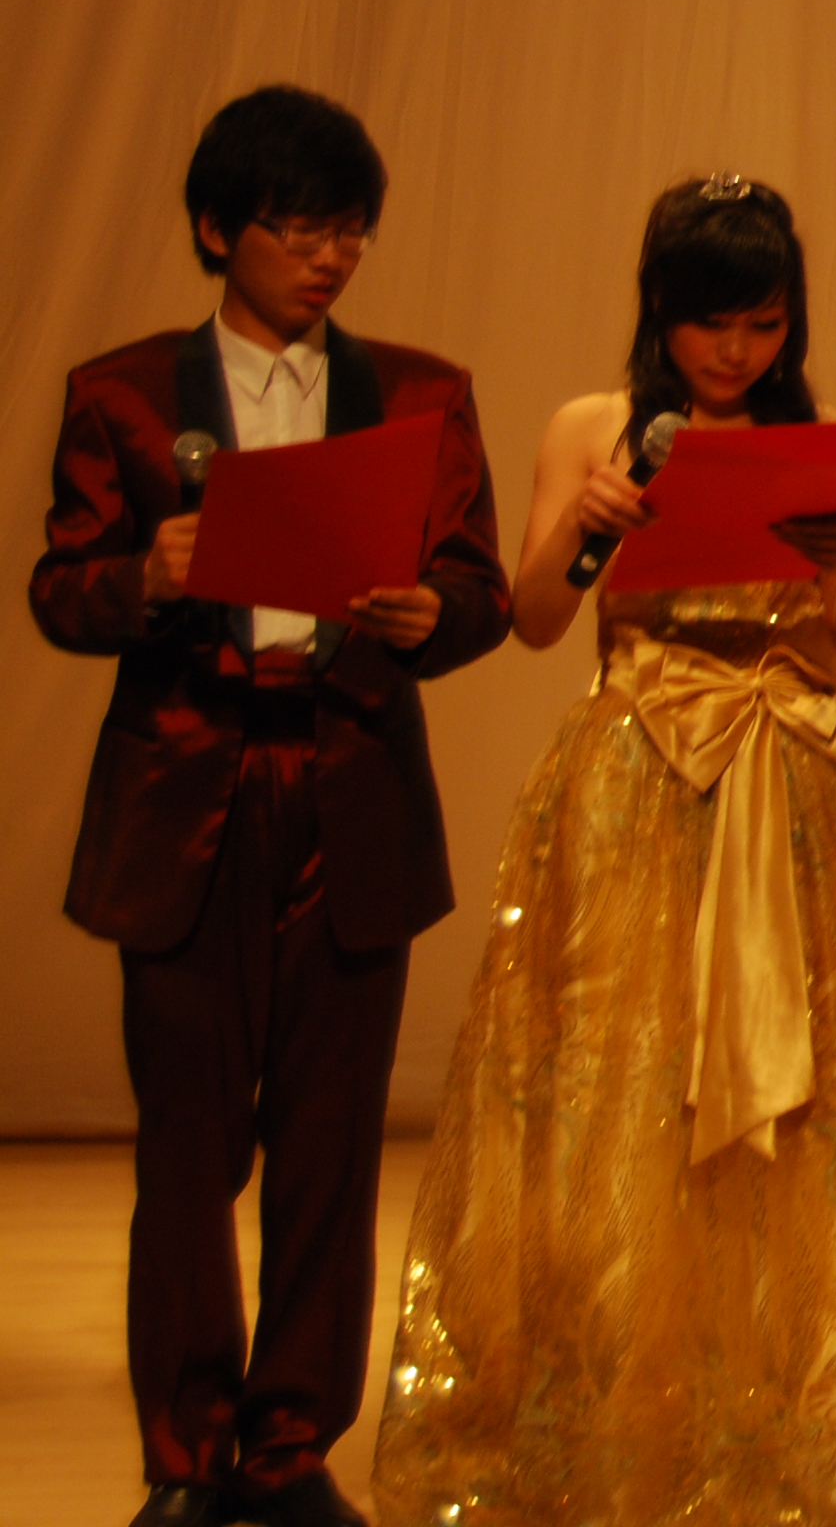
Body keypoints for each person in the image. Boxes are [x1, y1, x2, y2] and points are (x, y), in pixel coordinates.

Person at [369, 177, 836, 1526]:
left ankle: (787, 1405)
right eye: (710, 324)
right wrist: (590, 526)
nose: (735, 351)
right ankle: (615, 1404)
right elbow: (531, 619)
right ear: (660, 311)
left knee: (802, 1109)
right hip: (637, 770)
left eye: (762, 323)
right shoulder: (596, 426)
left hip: (792, 770)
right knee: (620, 1094)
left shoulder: (812, 436)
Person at [27, 87, 510, 1527]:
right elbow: (59, 591)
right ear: (215, 230)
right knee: (187, 1148)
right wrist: (145, 577)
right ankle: (186, 1459)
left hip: (350, 785)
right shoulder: (125, 395)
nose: (329, 257)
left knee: (328, 1146)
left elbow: (478, 590)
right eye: (299, 228)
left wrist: (432, 614)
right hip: (191, 786)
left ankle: (289, 1452)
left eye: (349, 230)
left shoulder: (420, 395)